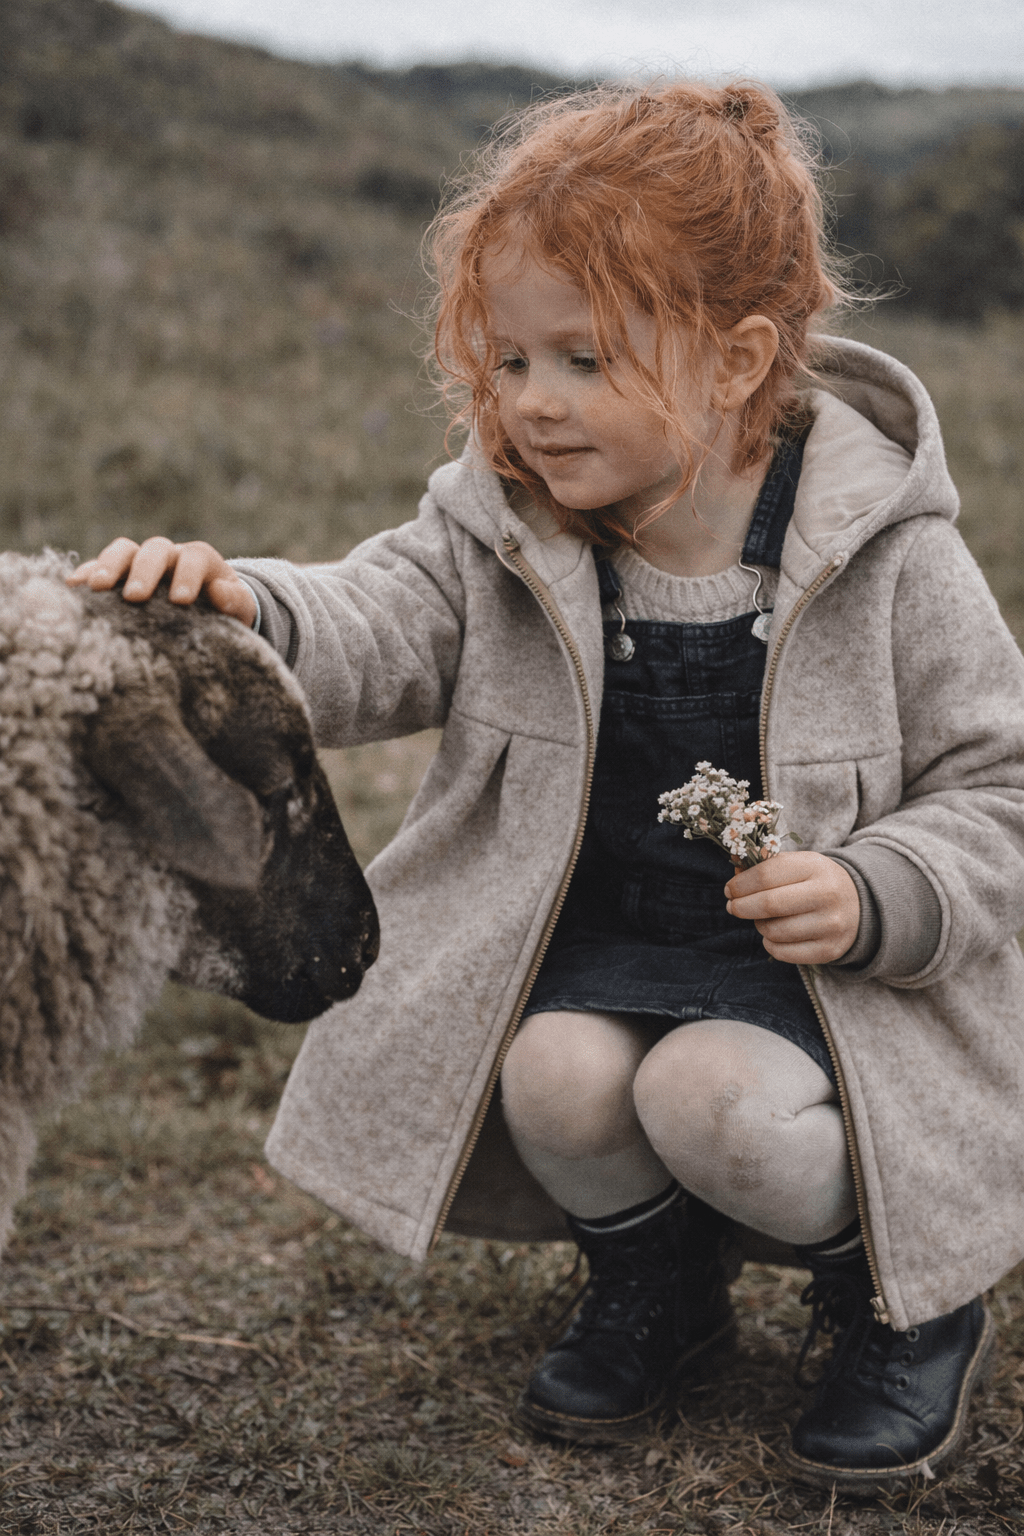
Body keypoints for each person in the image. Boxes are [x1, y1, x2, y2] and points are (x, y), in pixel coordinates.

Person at [69, 79, 1024, 1489]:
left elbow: (1002, 785)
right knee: (554, 1074)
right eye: (509, 360)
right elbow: (373, 621)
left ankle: (905, 1296)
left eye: (583, 358)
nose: (532, 403)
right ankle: (660, 1285)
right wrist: (240, 610)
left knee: (710, 1096)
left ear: (737, 358)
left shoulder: (890, 553)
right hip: (613, 947)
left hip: (835, 993)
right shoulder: (504, 525)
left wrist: (880, 887)